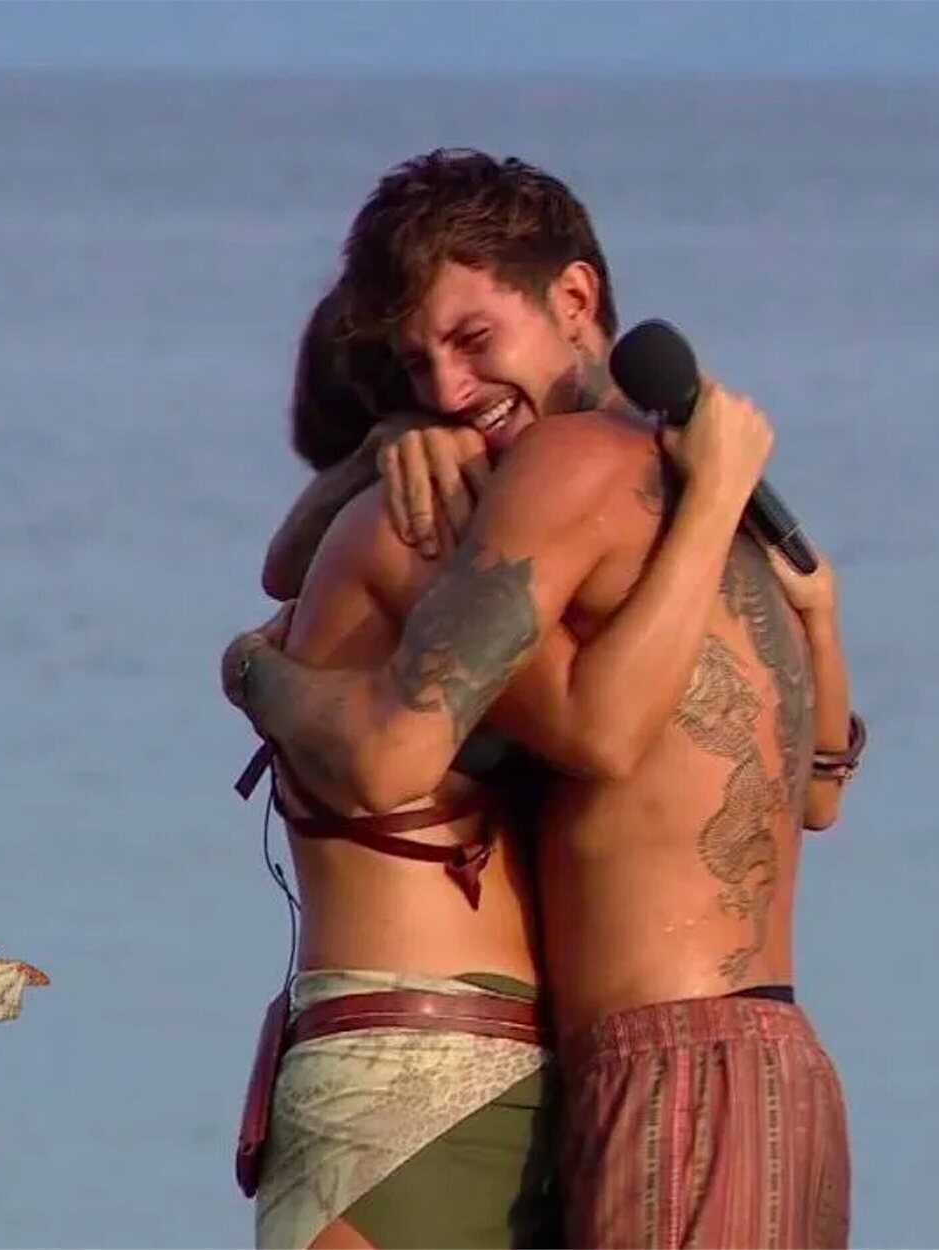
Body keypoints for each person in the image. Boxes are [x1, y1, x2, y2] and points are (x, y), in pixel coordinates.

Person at [227, 149, 863, 1248]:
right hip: (778, 1063)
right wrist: (816, 607)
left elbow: (586, 734)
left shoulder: (575, 464)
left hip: (668, 1069)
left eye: (473, 341)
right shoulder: (679, 478)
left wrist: (250, 670)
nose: (447, 390)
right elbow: (817, 793)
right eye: (418, 366)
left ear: (574, 298)